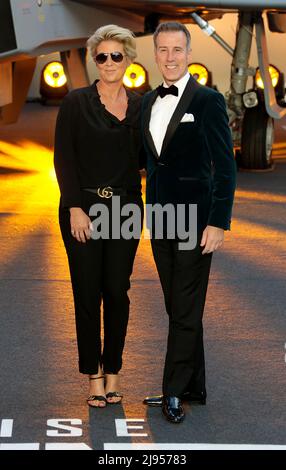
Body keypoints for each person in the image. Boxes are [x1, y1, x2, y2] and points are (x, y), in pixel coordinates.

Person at [142, 22, 236, 423]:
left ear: (189, 51)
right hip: (161, 218)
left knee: (183, 309)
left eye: (176, 50)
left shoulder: (208, 100)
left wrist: (218, 222)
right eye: (162, 50)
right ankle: (194, 385)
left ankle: (174, 391)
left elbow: (225, 166)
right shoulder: (148, 101)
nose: (169, 57)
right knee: (179, 307)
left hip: (196, 223)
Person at [54, 24, 143, 408]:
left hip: (125, 210)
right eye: (101, 56)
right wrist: (75, 206)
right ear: (94, 60)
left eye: (116, 56)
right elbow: (64, 157)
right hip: (84, 210)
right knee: (87, 294)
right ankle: (93, 375)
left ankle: (113, 374)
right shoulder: (75, 102)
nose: (108, 63)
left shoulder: (142, 105)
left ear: (128, 60)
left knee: (118, 294)